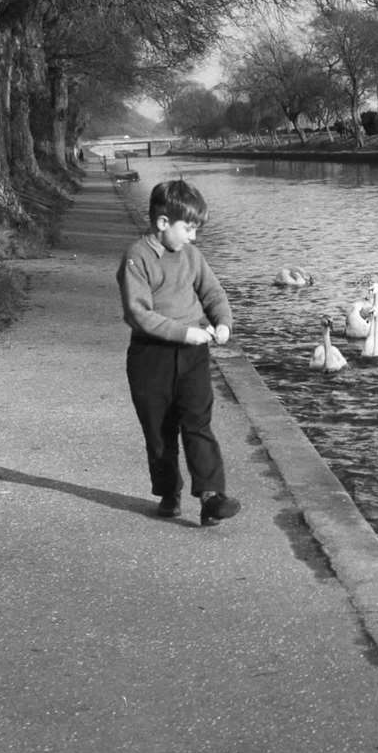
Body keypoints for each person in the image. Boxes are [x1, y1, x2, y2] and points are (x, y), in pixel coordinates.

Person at [117, 180, 241, 526]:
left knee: (198, 424)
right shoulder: (137, 258)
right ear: (162, 223)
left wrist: (223, 323)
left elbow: (213, 292)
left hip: (192, 358)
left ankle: (211, 496)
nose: (193, 237)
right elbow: (138, 314)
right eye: (188, 228)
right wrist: (185, 332)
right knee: (159, 433)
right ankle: (169, 492)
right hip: (150, 357)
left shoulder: (192, 255)